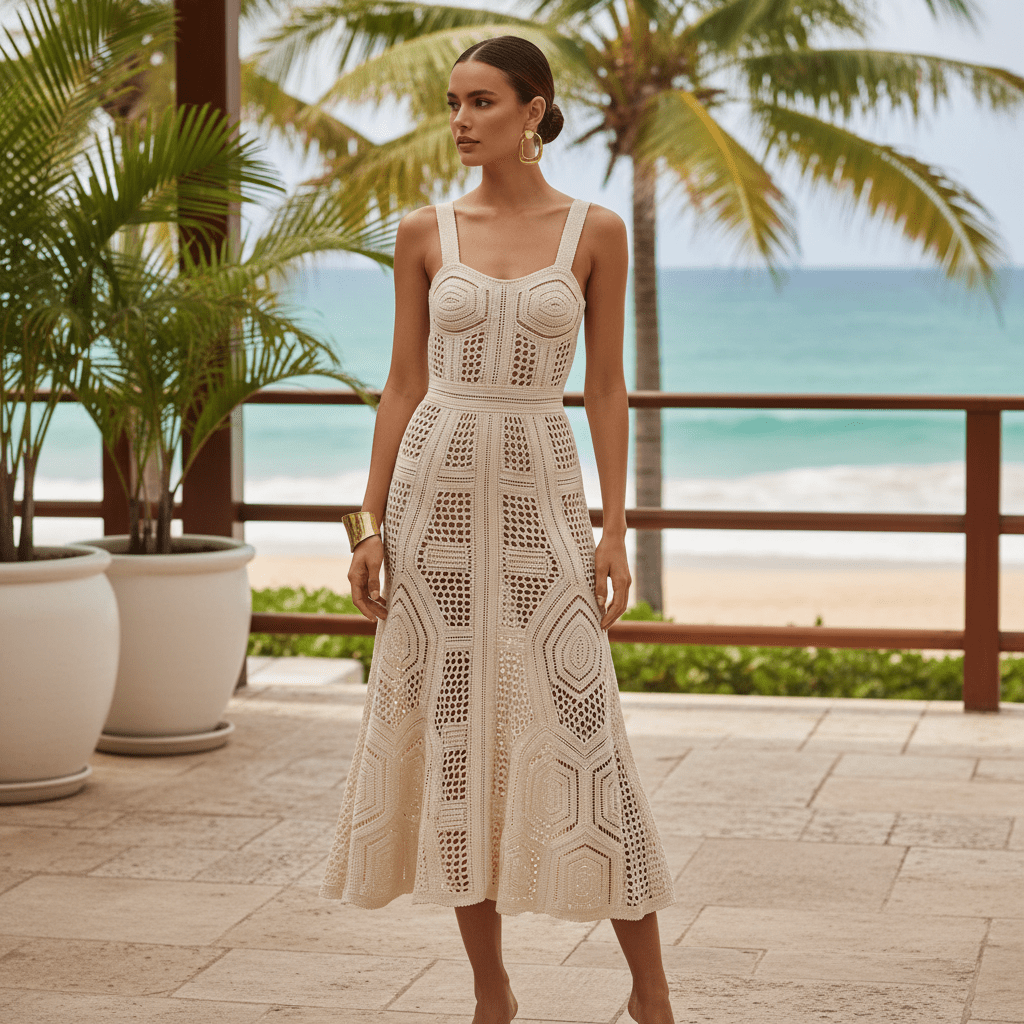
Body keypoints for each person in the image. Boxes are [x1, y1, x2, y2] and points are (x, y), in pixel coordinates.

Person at [322, 35, 678, 1024]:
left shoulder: (594, 232)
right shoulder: (422, 231)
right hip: (433, 499)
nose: (460, 121)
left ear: (534, 110)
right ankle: (492, 993)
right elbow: (402, 384)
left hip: (542, 493)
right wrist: (371, 521)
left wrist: (615, 529)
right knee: (452, 733)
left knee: (579, 725)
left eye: (480, 101)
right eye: (451, 103)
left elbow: (605, 387)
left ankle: (650, 990)